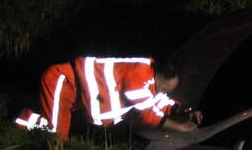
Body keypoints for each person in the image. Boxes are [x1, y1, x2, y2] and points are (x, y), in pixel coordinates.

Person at [14, 56, 200, 140]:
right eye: (166, 88)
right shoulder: (138, 75)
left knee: (57, 136)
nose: (165, 93)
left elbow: (156, 100)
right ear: (160, 79)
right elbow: (147, 114)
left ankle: (21, 117)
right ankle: (18, 117)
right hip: (63, 83)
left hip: (73, 94)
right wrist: (179, 127)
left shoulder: (148, 77)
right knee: (57, 139)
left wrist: (181, 110)